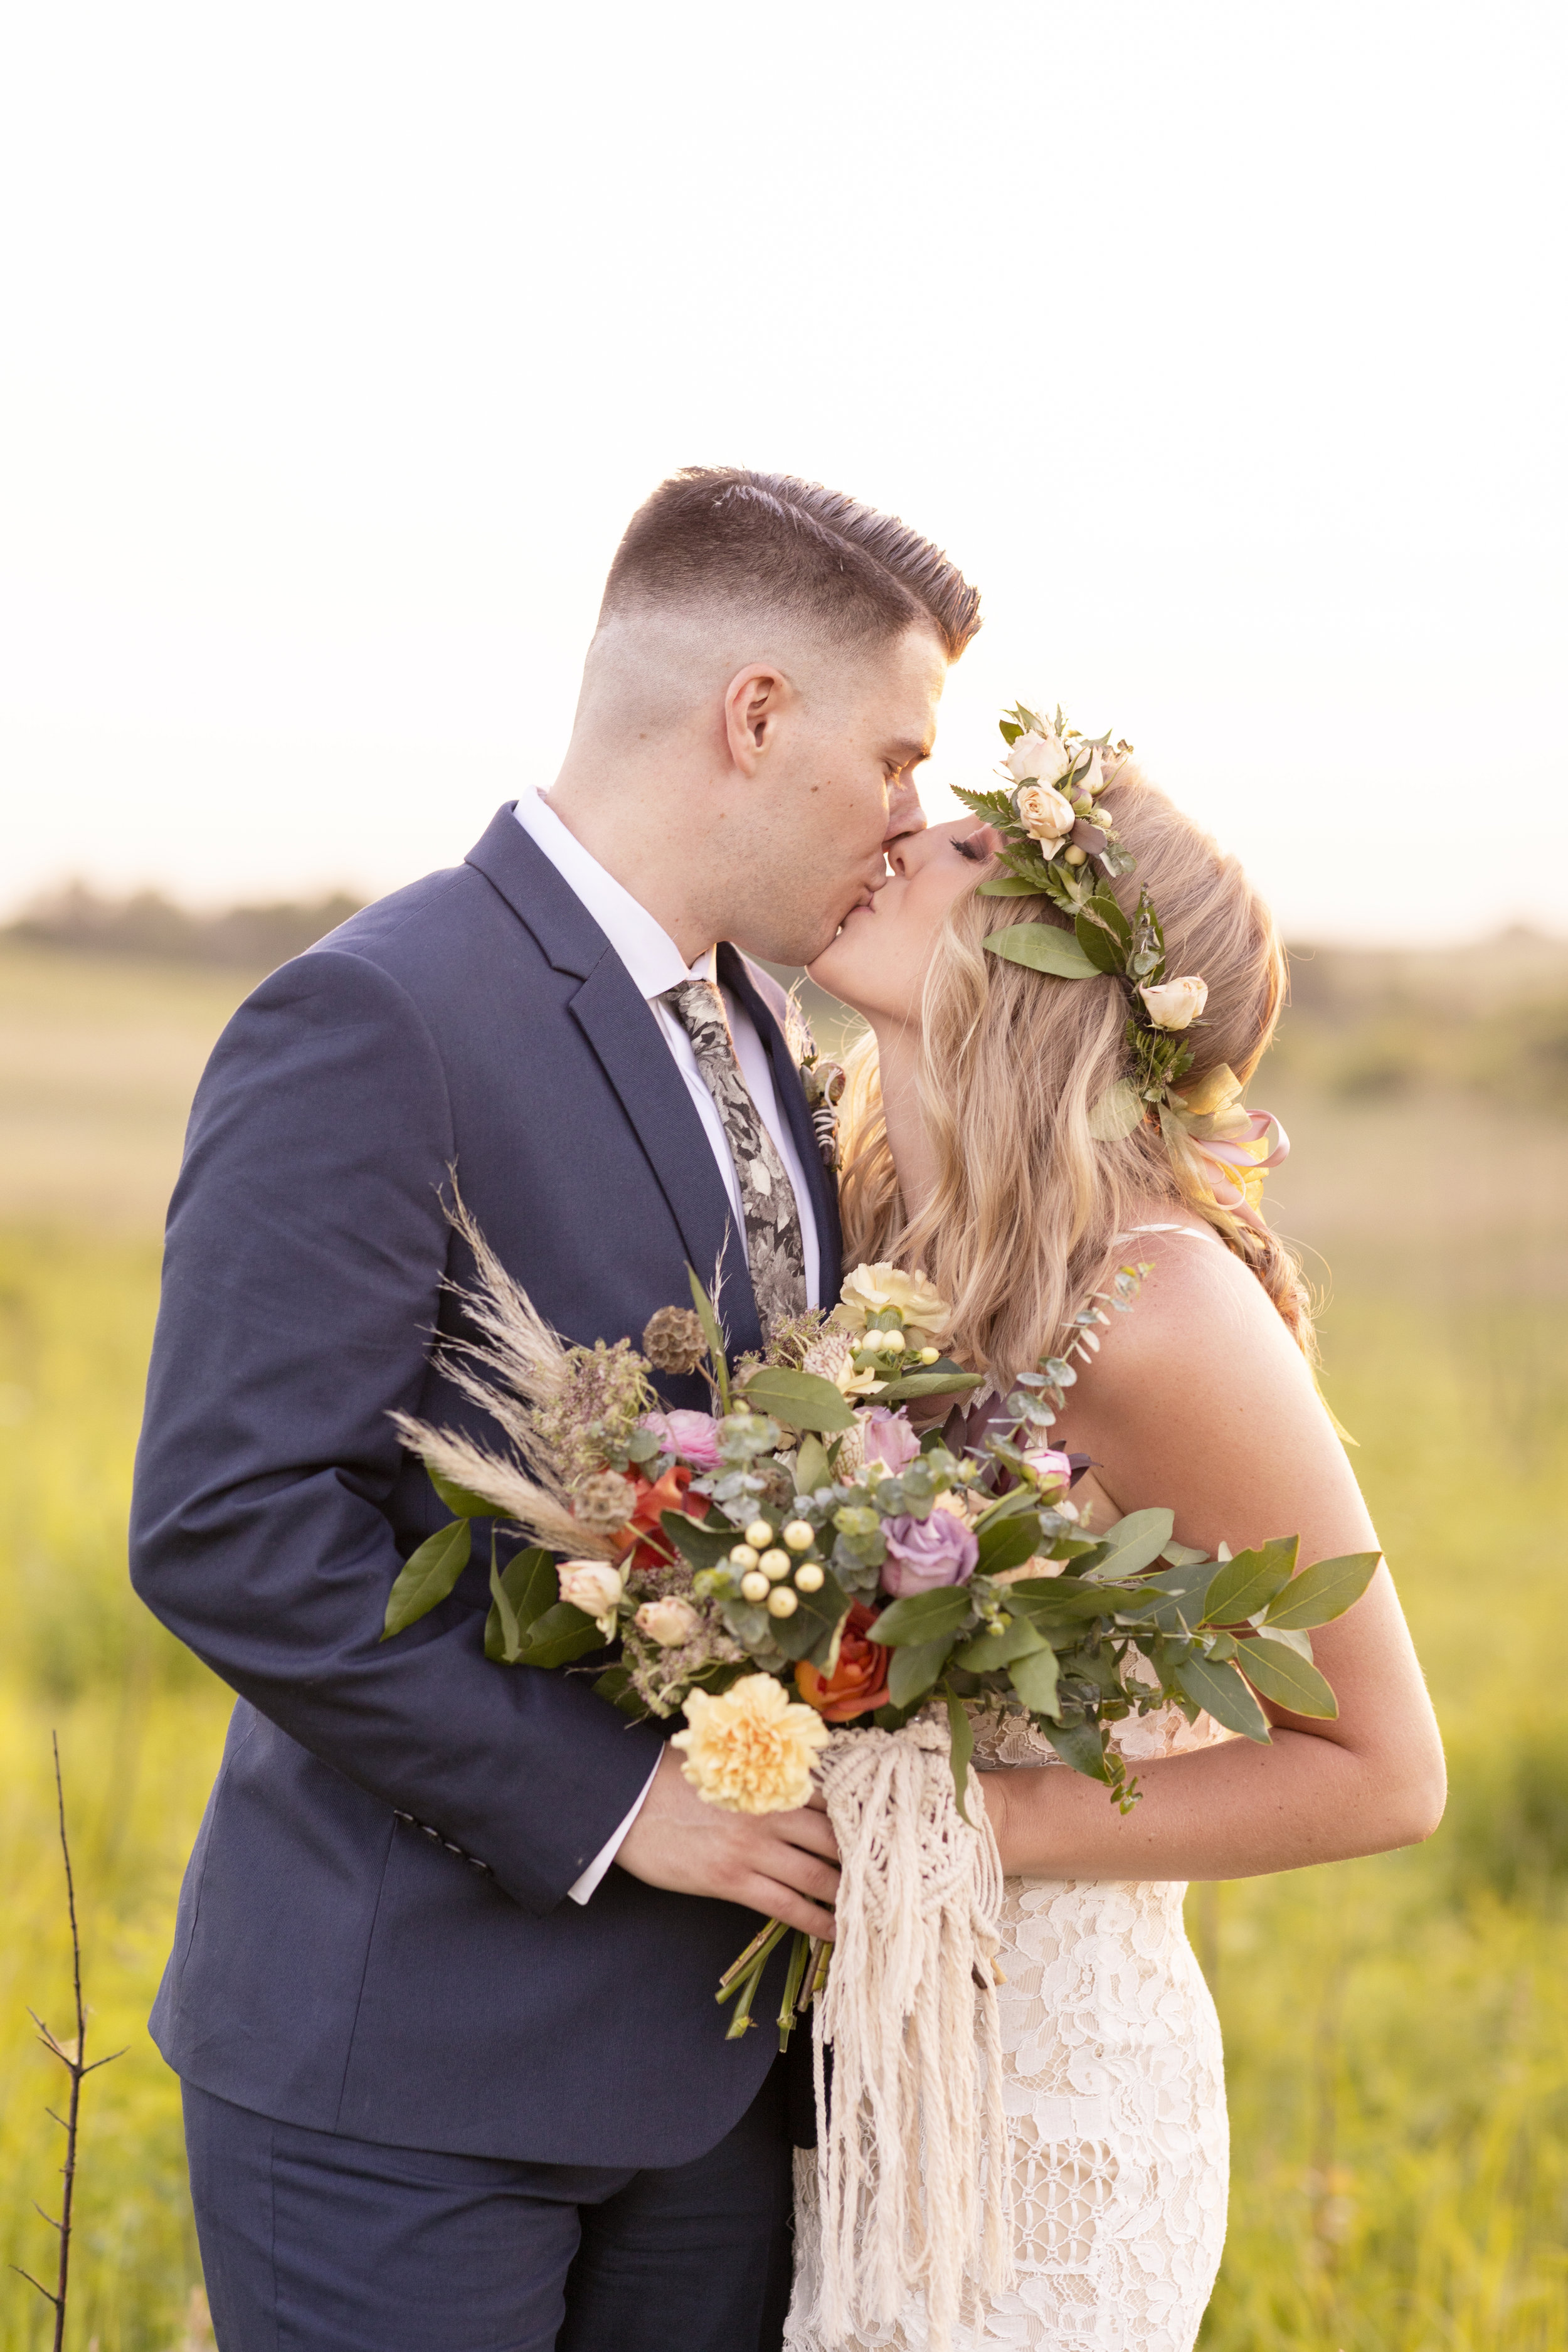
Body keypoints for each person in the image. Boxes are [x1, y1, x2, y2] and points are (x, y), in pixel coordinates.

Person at [128, 467, 981, 2352]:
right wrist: (616, 1805)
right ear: (754, 718)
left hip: (711, 2083)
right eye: (895, 755)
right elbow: (230, 1519)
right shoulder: (374, 1013)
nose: (912, 816)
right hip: (406, 2081)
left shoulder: (770, 1032)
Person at [797, 761, 1448, 2350]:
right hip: (830, 2084)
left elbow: (1382, 1771)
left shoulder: (1155, 1304)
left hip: (1036, 2114)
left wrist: (958, 1826)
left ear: (1056, 968)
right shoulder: (866, 1239)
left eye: (964, 848)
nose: (898, 834)